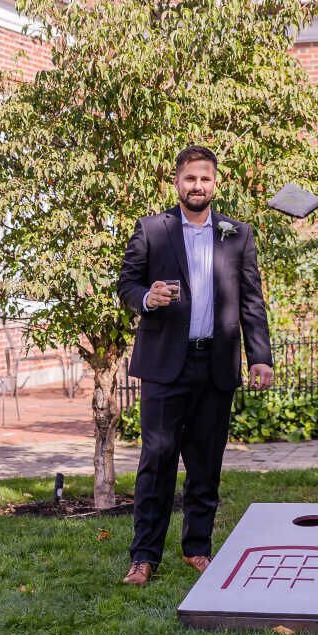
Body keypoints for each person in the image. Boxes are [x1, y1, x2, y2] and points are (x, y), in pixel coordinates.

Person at [116, 145, 275, 586]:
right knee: (157, 460)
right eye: (190, 178)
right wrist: (147, 297)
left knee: (206, 463)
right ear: (176, 182)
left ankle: (197, 549)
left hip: (215, 365)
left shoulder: (237, 234)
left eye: (205, 178)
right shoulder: (153, 229)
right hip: (165, 366)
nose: (197, 186)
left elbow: (251, 300)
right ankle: (144, 556)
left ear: (215, 183)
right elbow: (126, 284)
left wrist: (260, 357)